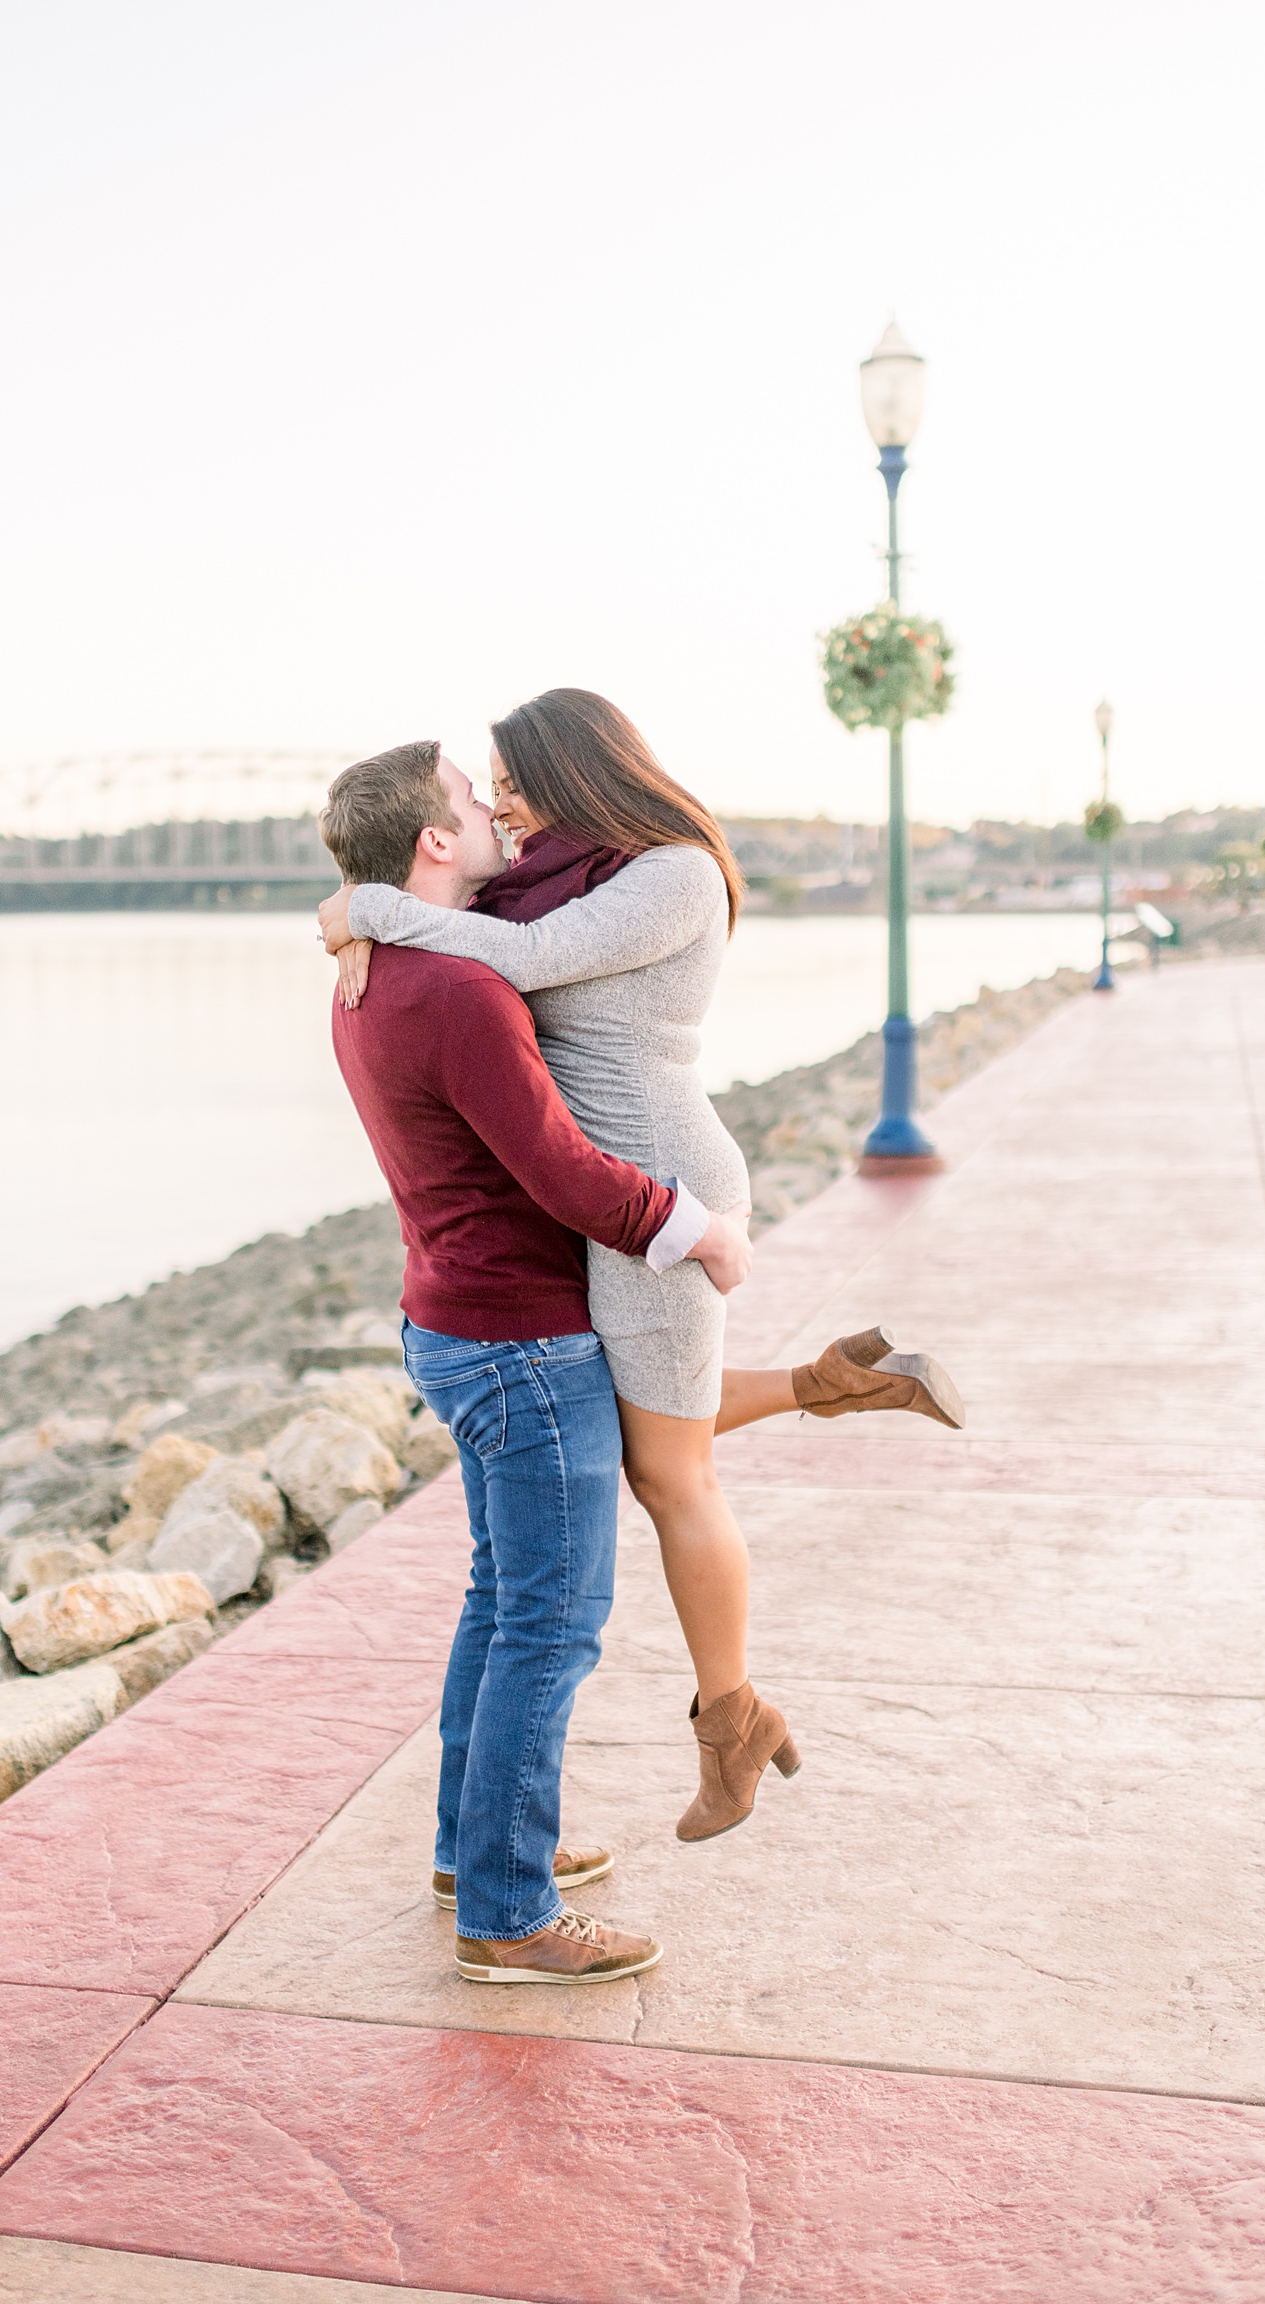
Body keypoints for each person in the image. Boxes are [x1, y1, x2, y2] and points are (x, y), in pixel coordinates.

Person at [319, 688, 962, 1844]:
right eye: (488, 791)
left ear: (575, 771)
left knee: (670, 1477)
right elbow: (486, 923)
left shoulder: (667, 873)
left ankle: (733, 1718)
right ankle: (840, 1382)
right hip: (609, 1192)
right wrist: (380, 911)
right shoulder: (563, 870)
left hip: (655, 1186)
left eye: (512, 781)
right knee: (636, 1430)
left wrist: (367, 905)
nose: (502, 807)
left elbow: (519, 957)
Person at [318, 739, 756, 1990]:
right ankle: (506, 1914)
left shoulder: (375, 970)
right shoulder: (457, 992)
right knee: (549, 1628)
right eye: (471, 798)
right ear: (436, 844)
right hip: (520, 1339)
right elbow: (560, 1168)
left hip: (453, 1321)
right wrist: (698, 1231)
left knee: (499, 1601)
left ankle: (478, 1853)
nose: (495, 808)